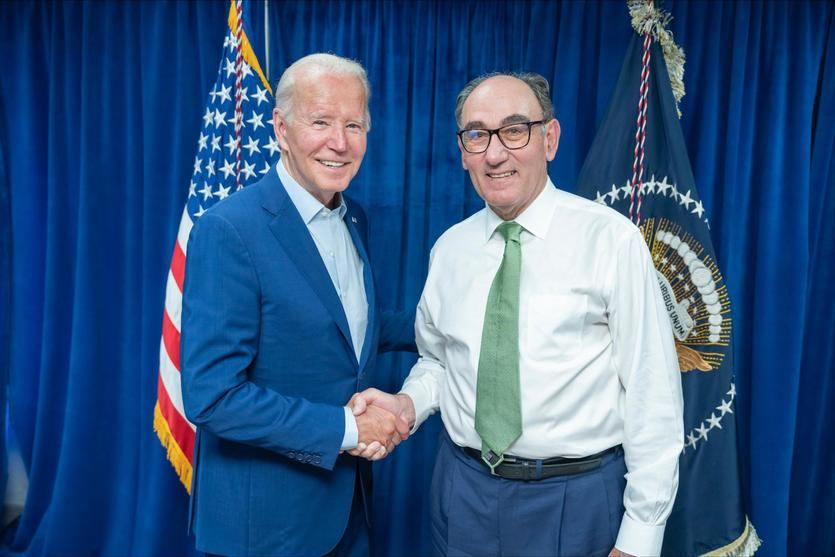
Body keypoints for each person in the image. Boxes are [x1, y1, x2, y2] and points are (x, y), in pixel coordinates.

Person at [351, 73, 684, 557]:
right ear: (463, 150)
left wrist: (640, 538)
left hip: (577, 498)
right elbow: (440, 362)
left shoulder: (611, 241)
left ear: (549, 139)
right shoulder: (451, 249)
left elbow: (654, 393)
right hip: (463, 493)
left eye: (514, 130)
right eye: (477, 134)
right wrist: (409, 404)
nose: (494, 153)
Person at [181, 53, 415, 557]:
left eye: (354, 124)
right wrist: (350, 429)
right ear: (282, 130)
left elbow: (350, 328)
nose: (340, 142)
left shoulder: (356, 219)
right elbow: (212, 395)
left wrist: (458, 321)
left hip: (348, 513)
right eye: (321, 122)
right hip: (266, 529)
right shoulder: (229, 231)